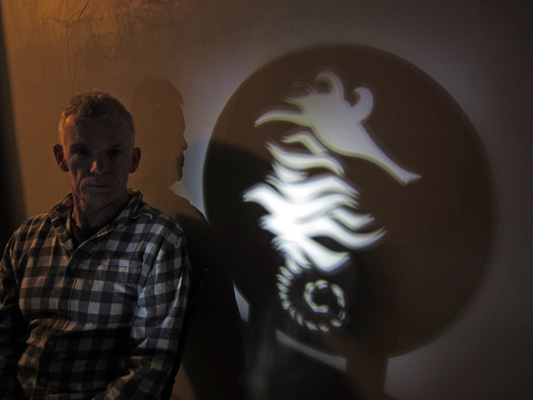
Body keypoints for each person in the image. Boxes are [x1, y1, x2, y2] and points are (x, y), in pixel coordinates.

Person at [0, 91, 191, 399]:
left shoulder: (158, 241)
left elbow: (150, 368)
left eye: (114, 153)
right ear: (61, 158)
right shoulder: (26, 239)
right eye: (82, 151)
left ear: (133, 159)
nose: (98, 167)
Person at [129, 79, 246, 400]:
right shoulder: (180, 225)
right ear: (151, 140)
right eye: (175, 133)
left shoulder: (124, 220)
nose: (184, 144)